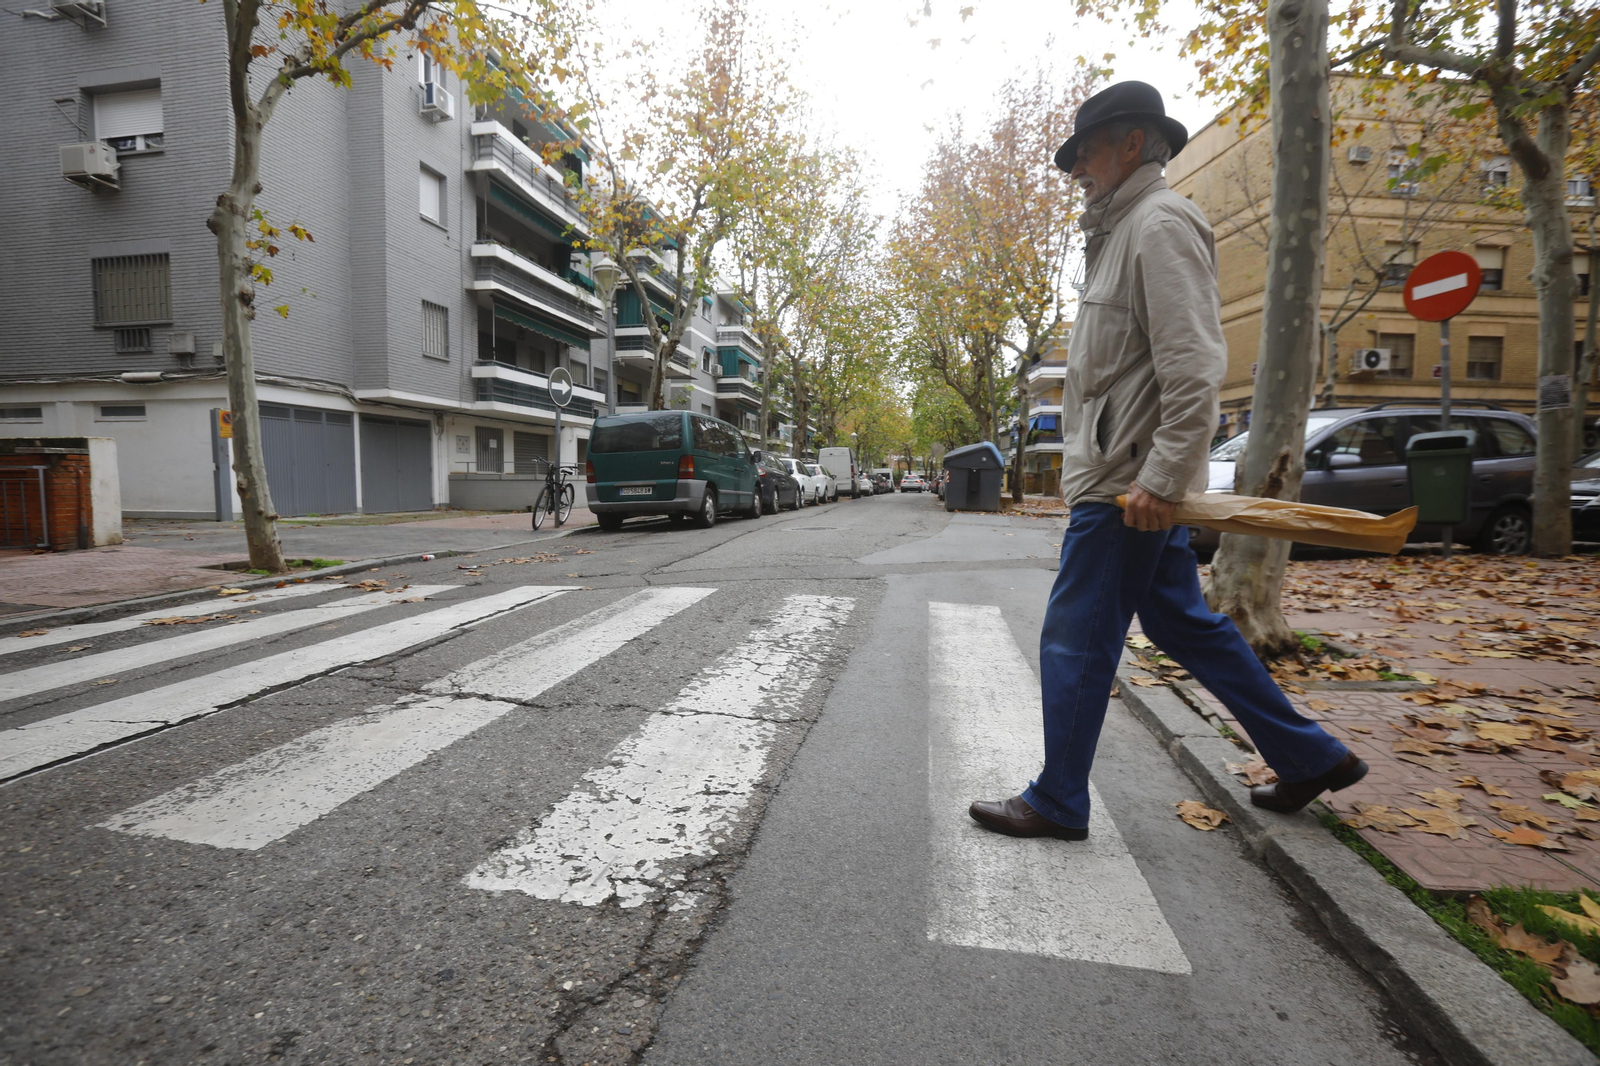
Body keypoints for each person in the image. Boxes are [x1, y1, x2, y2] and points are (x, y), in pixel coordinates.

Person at [968, 81, 1366, 841]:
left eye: (1085, 149)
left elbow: (1194, 367)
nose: (1075, 166)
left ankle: (1057, 799)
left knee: (1075, 636)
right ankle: (1309, 754)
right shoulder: (1120, 233)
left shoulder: (1159, 223)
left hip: (1127, 488)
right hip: (1129, 477)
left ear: (1130, 142)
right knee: (1185, 625)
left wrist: (1158, 476)